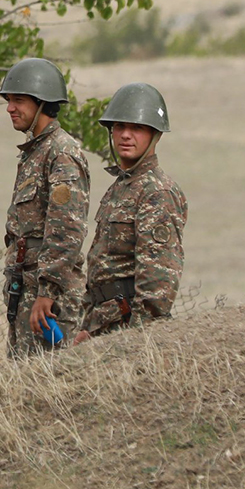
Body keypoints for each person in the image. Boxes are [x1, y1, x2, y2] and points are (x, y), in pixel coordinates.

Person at [74, 83, 187, 344]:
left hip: (129, 329)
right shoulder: (122, 187)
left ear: (155, 135)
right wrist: (89, 326)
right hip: (104, 322)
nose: (126, 135)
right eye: (119, 126)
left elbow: (158, 282)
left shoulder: (157, 192)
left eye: (137, 128)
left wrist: (136, 341)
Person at [0, 58, 89, 358]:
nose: (10, 108)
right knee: (23, 376)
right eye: (9, 100)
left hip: (48, 299)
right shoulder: (36, 151)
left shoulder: (61, 153)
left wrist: (47, 292)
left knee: (52, 376)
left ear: (42, 103)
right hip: (27, 289)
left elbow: (67, 229)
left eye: (19, 100)